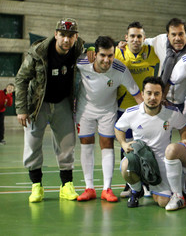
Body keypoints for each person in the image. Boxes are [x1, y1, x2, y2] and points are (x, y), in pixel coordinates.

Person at [15, 18, 84, 202]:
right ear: (55, 34)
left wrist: (94, 51)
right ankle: (36, 186)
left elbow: (99, 54)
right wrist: (21, 109)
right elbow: (21, 79)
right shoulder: (38, 53)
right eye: (62, 35)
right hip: (37, 104)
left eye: (70, 36)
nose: (66, 40)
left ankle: (66, 186)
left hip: (62, 103)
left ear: (76, 37)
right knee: (32, 144)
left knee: (67, 144)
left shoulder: (79, 51)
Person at [75, 36, 142, 202]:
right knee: (86, 144)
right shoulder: (82, 62)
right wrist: (86, 51)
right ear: (95, 54)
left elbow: (137, 95)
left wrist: (151, 114)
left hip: (107, 111)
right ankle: (89, 188)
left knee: (107, 145)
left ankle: (106, 189)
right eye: (103, 55)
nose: (107, 60)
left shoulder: (120, 69)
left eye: (110, 55)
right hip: (85, 109)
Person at [114, 77, 186, 208]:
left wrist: (184, 138)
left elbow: (184, 125)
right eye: (149, 93)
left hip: (161, 162)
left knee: (163, 202)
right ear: (142, 94)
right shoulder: (131, 113)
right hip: (140, 158)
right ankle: (137, 190)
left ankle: (150, 186)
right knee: (126, 165)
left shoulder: (172, 113)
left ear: (162, 95)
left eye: (157, 94)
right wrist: (123, 144)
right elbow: (118, 128)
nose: (152, 97)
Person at [115, 21, 160, 197]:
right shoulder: (118, 52)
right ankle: (131, 182)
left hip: (146, 107)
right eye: (132, 36)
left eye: (139, 36)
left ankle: (149, 181)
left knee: (147, 144)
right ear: (126, 38)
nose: (135, 39)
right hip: (123, 107)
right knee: (126, 147)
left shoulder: (151, 52)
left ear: (144, 38)